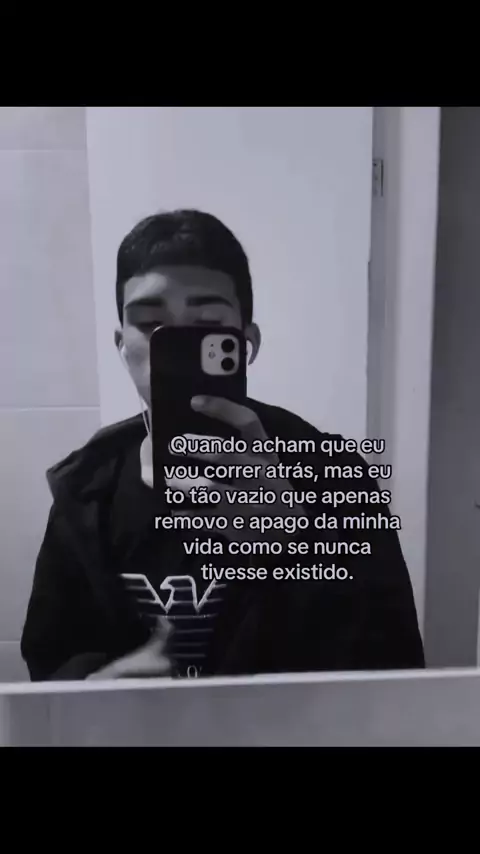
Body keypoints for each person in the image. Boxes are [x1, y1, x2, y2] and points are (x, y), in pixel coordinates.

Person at [21, 209, 425, 681]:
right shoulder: (86, 488)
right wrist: (98, 687)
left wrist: (296, 547)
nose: (173, 345)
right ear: (121, 345)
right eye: (150, 324)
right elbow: (50, 661)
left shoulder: (333, 473)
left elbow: (392, 665)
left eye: (206, 323)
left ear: (245, 343)